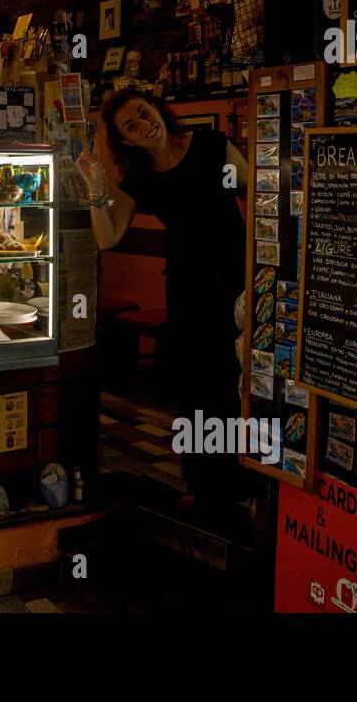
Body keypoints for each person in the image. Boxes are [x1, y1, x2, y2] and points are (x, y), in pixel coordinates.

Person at [77, 87, 251, 508]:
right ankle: (203, 486)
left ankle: (243, 484)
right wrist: (96, 193)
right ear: (126, 141)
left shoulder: (213, 146)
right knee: (195, 387)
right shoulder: (142, 178)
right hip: (188, 288)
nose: (143, 123)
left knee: (236, 383)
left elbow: (262, 195)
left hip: (237, 283)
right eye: (130, 126)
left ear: (158, 109)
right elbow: (107, 235)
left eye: (143, 112)